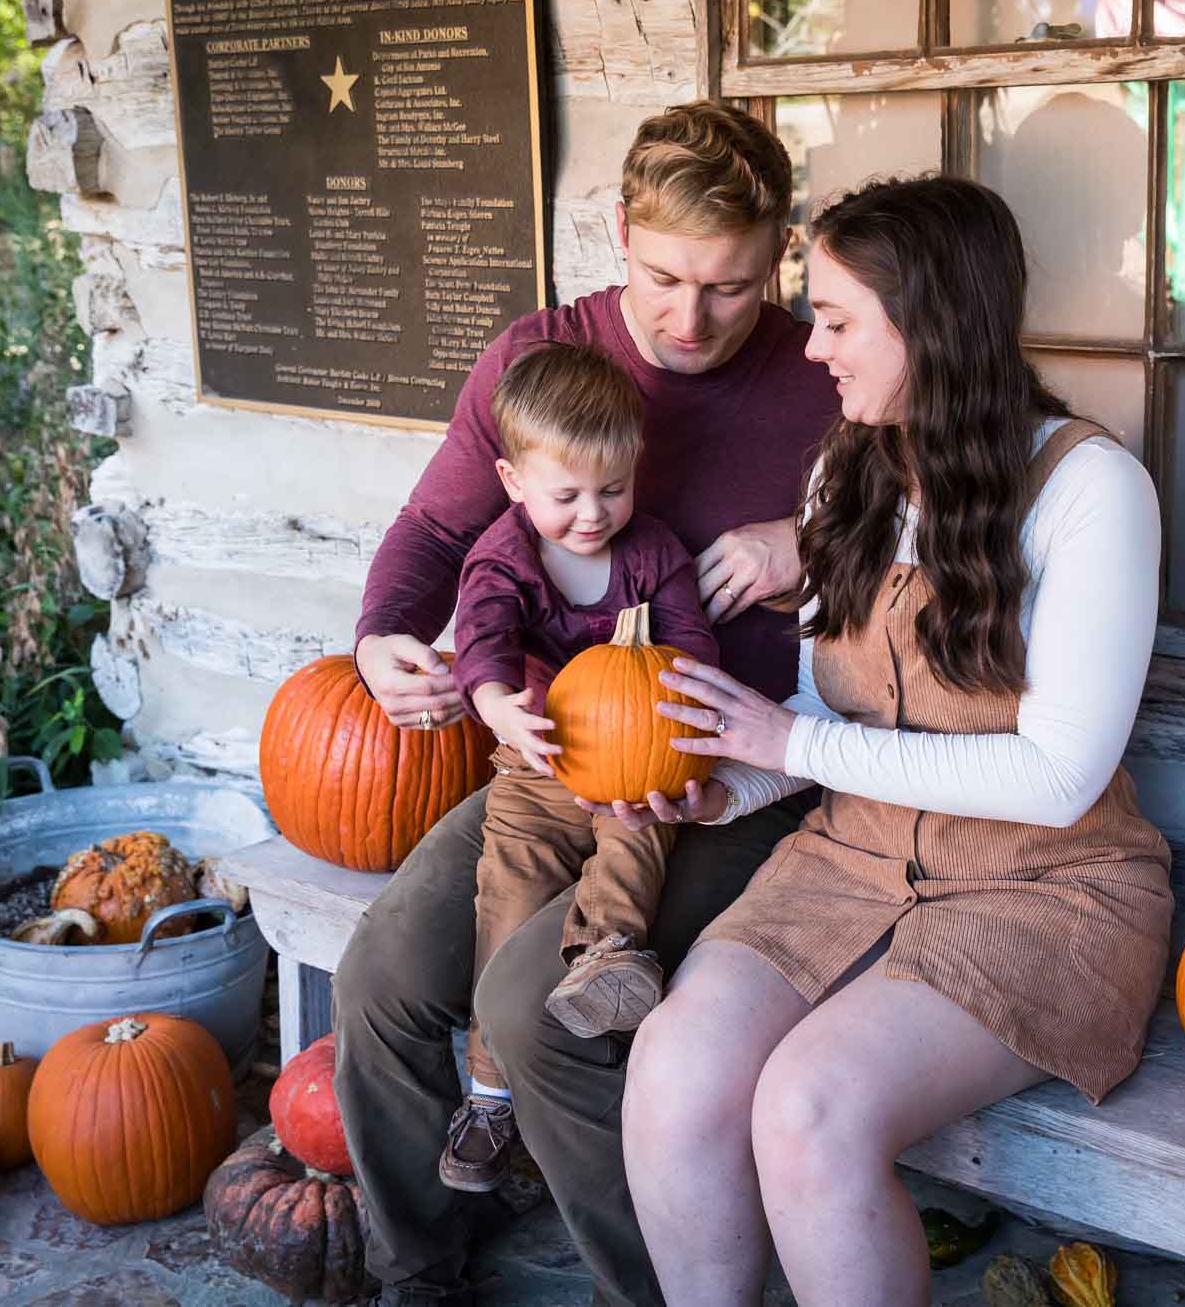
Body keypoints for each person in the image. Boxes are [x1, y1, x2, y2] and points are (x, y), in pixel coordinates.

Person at [614, 175, 1175, 1305]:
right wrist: (725, 786)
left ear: (929, 321)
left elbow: (1058, 776)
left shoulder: (1091, 491)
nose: (810, 347)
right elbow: (830, 721)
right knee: (673, 1069)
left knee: (808, 1106)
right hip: (849, 861)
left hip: (1044, 890)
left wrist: (786, 743)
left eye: (835, 319)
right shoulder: (845, 472)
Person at [333, 99, 839, 1305]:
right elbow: (435, 527)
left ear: (776, 250)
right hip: (552, 753)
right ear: (620, 233)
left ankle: (651, 1289)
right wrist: (381, 638)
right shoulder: (538, 358)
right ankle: (419, 1271)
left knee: (537, 1000)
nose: (689, 317)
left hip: (736, 775)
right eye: (663, 278)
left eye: (728, 286)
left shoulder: (820, 372)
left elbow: (928, 531)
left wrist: (807, 540)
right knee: (384, 974)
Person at [438, 341, 719, 1195]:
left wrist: (687, 739)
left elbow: (692, 645)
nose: (593, 514)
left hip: (632, 761)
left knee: (637, 838)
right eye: (567, 495)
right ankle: (488, 1096)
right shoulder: (505, 556)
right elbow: (480, 641)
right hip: (536, 757)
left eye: (613, 488)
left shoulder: (652, 554)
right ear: (515, 480)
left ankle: (607, 956)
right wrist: (494, 704)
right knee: (510, 882)